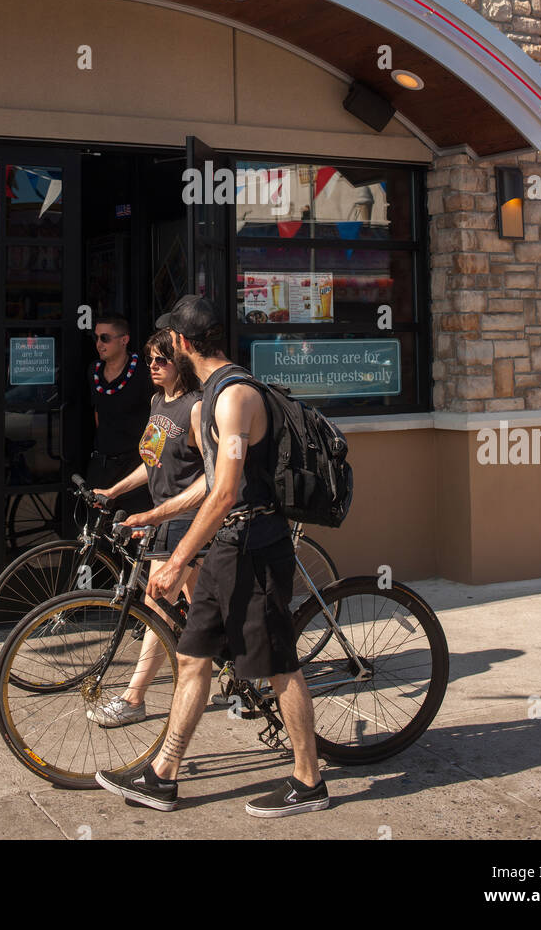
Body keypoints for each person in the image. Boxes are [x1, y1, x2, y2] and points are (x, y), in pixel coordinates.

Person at [95, 294, 329, 818]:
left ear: (182, 342)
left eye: (168, 343)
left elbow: (223, 493)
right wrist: (154, 515)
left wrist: (177, 558)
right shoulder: (212, 393)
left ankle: (310, 782)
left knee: (279, 665)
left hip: (255, 546)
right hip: (227, 544)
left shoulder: (233, 396)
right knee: (192, 656)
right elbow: (210, 485)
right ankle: (163, 776)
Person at [92, 329, 207, 727]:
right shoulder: (159, 402)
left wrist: (167, 513)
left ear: (181, 363)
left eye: (162, 359)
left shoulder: (196, 407)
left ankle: (133, 698)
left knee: (156, 605)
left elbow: (213, 474)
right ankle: (247, 667)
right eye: (150, 359)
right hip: (163, 515)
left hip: (187, 519)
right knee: (204, 606)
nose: (154, 366)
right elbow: (152, 461)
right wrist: (114, 490)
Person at [87, 312, 153, 517]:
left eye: (105, 338)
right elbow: (97, 412)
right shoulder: (94, 371)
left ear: (124, 340)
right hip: (102, 464)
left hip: (133, 465)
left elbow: (157, 417)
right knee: (95, 524)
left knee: (132, 526)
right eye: (96, 337)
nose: (99, 344)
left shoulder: (144, 372)